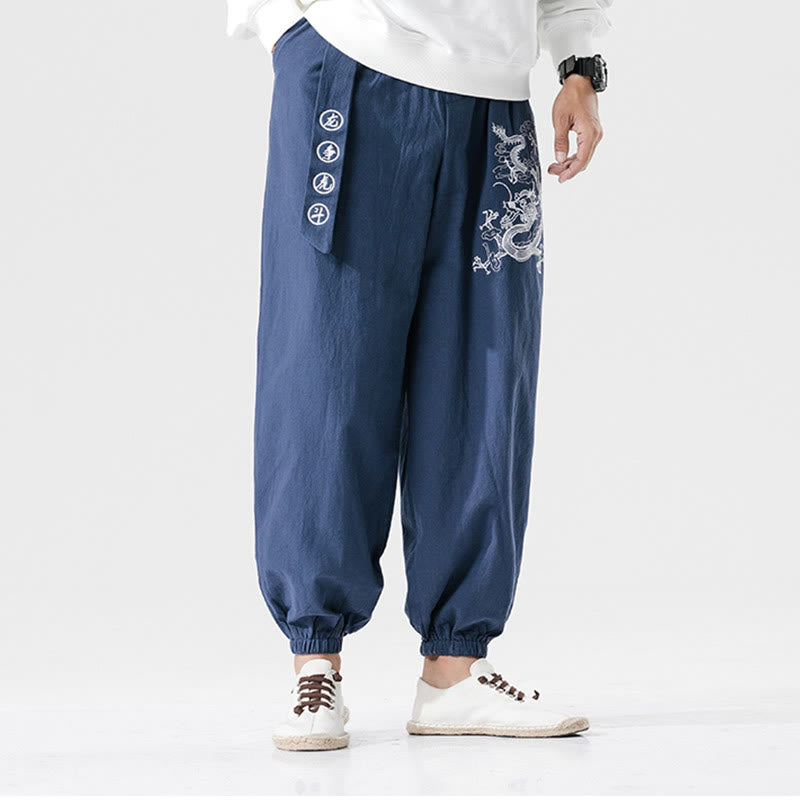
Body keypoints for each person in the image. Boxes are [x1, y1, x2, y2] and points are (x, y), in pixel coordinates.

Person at [227, 0, 612, 751]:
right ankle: (316, 662)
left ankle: (454, 672)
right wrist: (283, 27)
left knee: (482, 376)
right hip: (353, 64)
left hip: (497, 96)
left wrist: (577, 62)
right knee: (327, 375)